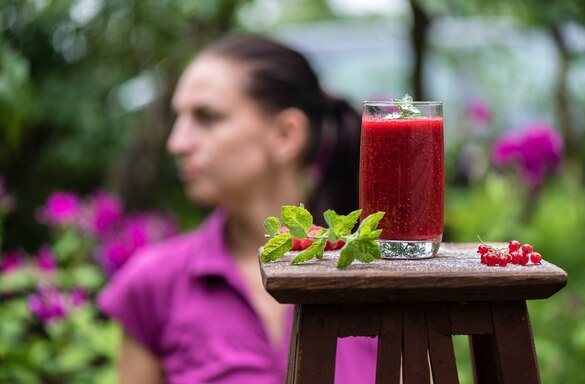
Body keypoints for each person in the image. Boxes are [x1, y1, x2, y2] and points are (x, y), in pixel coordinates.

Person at [97, 34, 377, 383]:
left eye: (207, 117)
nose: (177, 143)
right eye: (179, 118)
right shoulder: (154, 284)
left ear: (285, 135)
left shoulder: (376, 280)